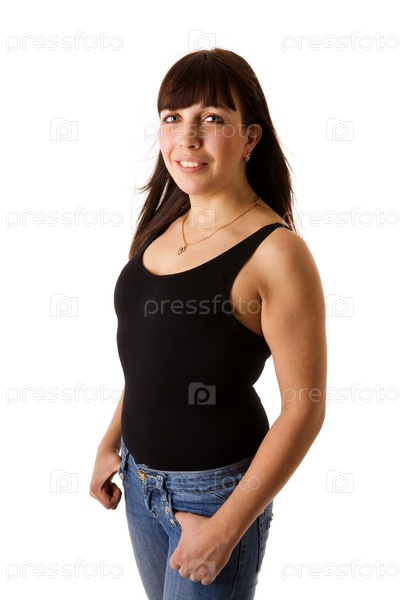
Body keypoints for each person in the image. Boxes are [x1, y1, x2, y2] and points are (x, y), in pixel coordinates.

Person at [89, 48, 327, 600]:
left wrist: (227, 528)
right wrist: (110, 442)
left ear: (250, 138)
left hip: (215, 498)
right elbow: (152, 361)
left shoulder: (277, 253)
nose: (187, 138)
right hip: (139, 484)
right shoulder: (162, 226)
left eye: (213, 118)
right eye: (173, 118)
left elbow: (305, 408)